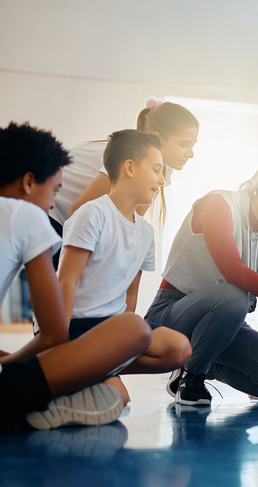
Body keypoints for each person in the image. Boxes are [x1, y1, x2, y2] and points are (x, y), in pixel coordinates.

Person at [0, 122, 151, 433]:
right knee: (133, 328)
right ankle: (44, 403)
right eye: (55, 191)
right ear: (29, 182)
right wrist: (5, 366)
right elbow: (54, 336)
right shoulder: (26, 216)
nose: (52, 205)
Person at [144, 158, 258, 406]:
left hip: (225, 323)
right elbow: (232, 270)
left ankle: (201, 363)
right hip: (170, 314)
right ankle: (192, 379)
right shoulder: (218, 203)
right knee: (234, 295)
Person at [57, 129, 191, 404]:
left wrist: (123, 337)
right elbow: (66, 281)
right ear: (129, 167)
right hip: (77, 325)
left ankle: (88, 371)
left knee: (179, 349)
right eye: (156, 170)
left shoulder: (144, 231)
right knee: (118, 399)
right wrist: (58, 339)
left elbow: (130, 295)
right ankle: (66, 366)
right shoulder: (91, 214)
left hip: (112, 328)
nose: (162, 180)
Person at [49, 99, 198, 267]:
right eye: (184, 144)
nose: (191, 154)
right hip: (49, 208)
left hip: (67, 217)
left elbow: (131, 219)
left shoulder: (164, 167)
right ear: (157, 140)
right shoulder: (129, 155)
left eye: (193, 145)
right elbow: (80, 213)